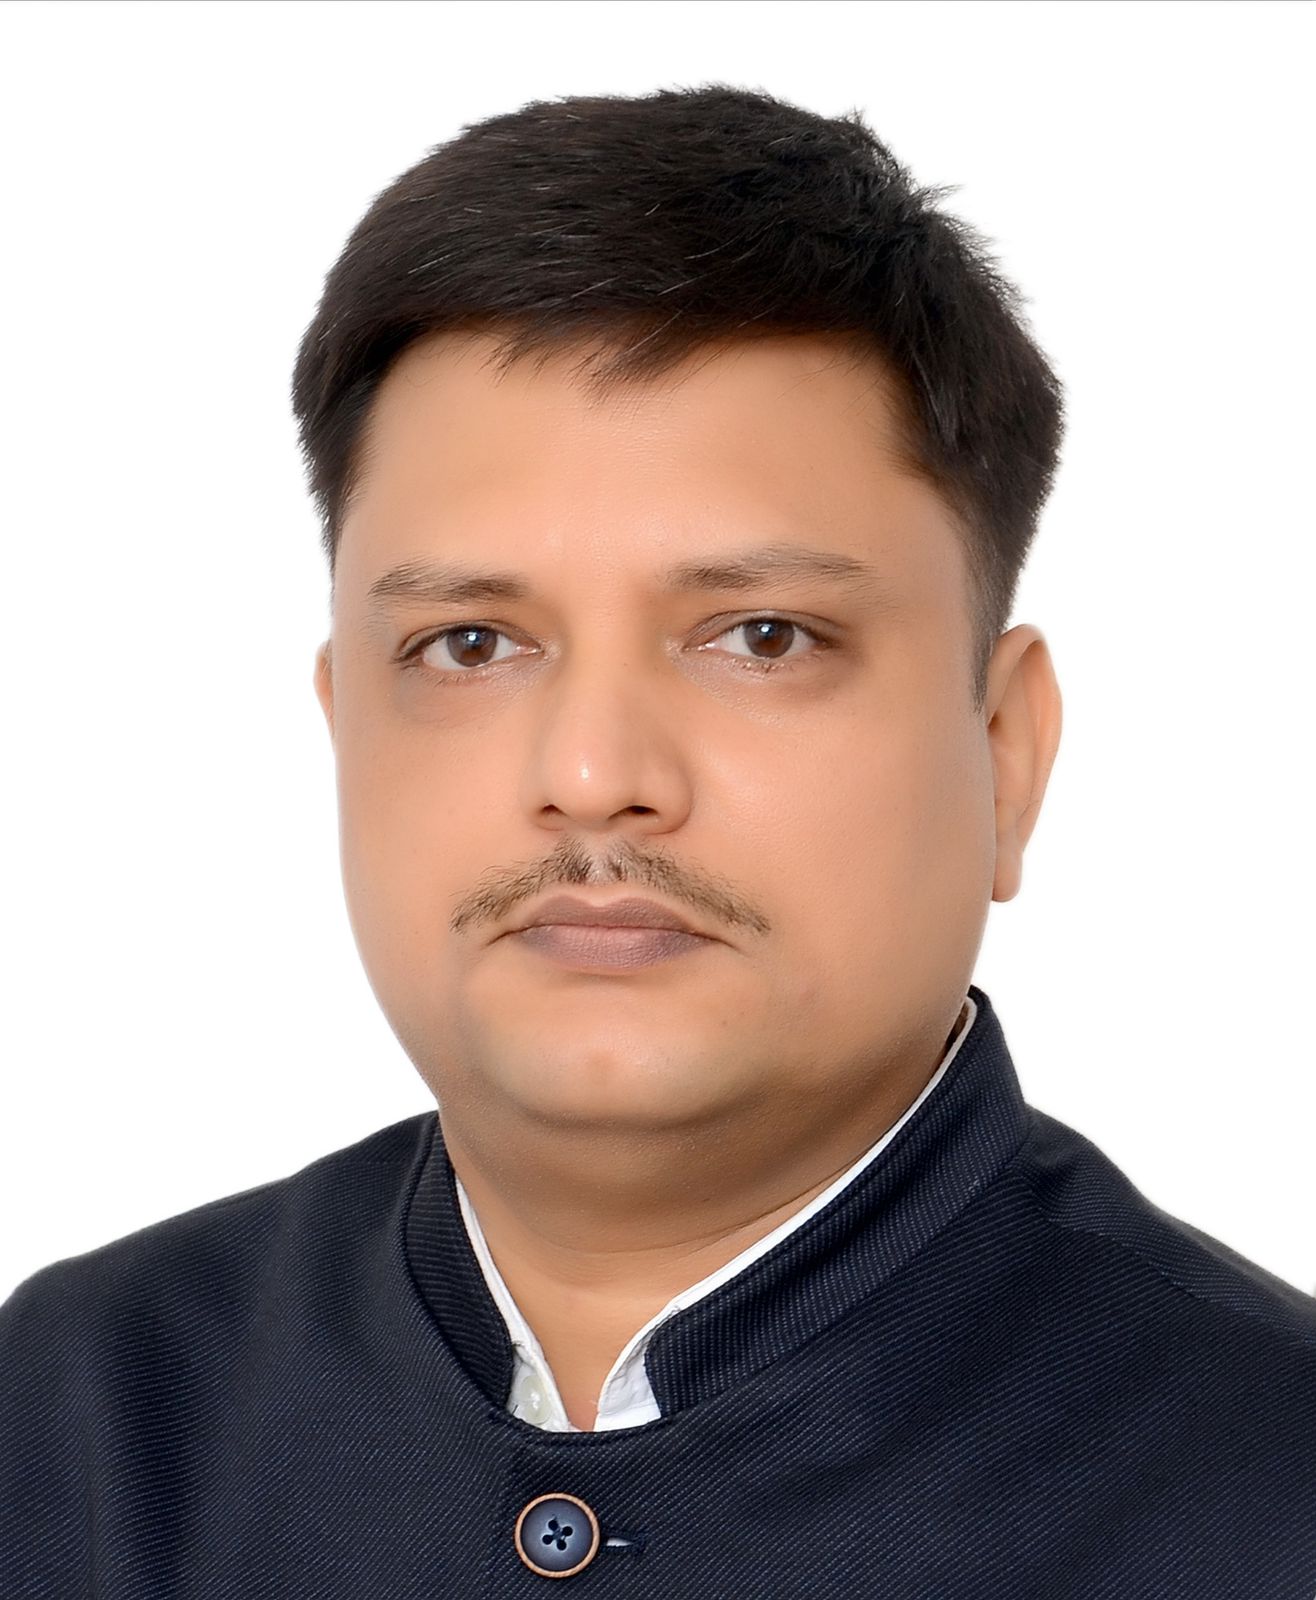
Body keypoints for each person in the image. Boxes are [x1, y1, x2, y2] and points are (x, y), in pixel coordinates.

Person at [2, 83, 1313, 1597]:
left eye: (761, 636)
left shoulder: (1275, 1491)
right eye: (470, 644)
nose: (591, 774)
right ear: (342, 727)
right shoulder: (82, 1419)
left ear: (1007, 751)